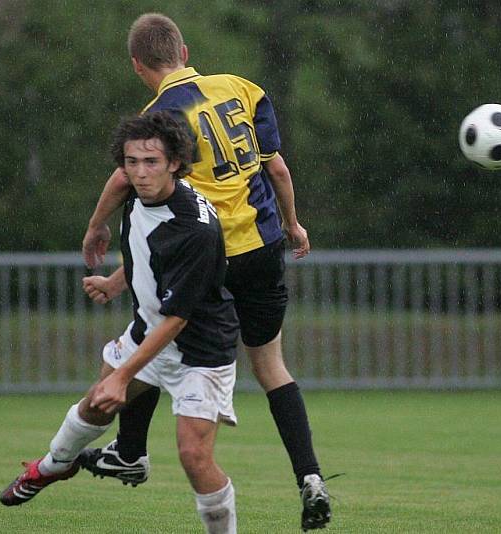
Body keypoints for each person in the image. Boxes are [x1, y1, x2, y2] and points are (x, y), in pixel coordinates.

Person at [79, 12, 331, 531]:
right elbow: (276, 167)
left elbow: (128, 184)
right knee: (272, 369)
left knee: (152, 337)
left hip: (210, 253)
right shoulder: (243, 87)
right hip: (260, 249)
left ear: (136, 65)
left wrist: (95, 229)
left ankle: (129, 451)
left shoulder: (160, 115)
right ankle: (309, 477)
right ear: (185, 52)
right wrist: (293, 223)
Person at [1, 112, 240, 534]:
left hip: (199, 350)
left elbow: (178, 317)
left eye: (151, 162)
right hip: (149, 333)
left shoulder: (194, 229)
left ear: (175, 163)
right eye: (132, 162)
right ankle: (53, 465)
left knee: (194, 457)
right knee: (94, 405)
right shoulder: (134, 189)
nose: (140, 172)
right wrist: (113, 274)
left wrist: (122, 376)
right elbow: (145, 246)